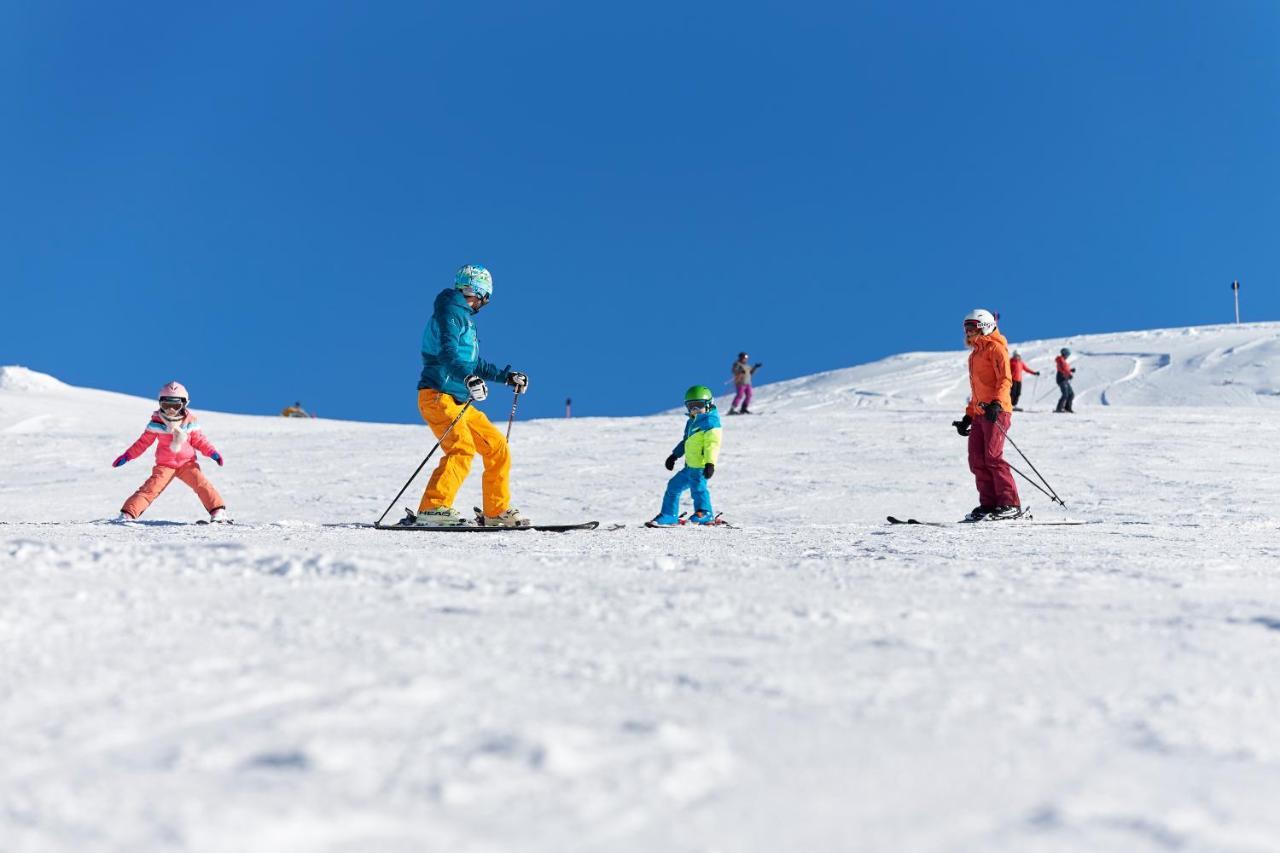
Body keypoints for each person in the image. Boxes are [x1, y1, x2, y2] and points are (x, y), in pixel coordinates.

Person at [411, 264, 529, 527]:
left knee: (497, 447)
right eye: (484, 299)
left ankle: (495, 512)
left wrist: (506, 377)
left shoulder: (463, 319)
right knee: (461, 447)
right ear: (480, 293)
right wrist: (468, 378)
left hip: (458, 401)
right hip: (437, 395)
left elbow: (473, 363)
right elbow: (447, 355)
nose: (482, 305)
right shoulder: (450, 313)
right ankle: (433, 508)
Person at [112, 381, 229, 522]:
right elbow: (142, 443)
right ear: (160, 403)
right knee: (150, 489)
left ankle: (218, 512)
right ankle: (127, 514)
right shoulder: (156, 424)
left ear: (184, 404)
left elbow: (200, 441)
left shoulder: (189, 422)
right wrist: (128, 455)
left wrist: (212, 453)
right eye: (166, 405)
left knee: (202, 484)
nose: (171, 410)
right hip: (165, 465)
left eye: (175, 405)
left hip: (187, 464)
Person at [951, 309, 1021, 521]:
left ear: (985, 327)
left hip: (997, 411)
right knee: (976, 460)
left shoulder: (996, 349)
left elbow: (1005, 380)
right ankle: (989, 504)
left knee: (993, 457)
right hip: (981, 413)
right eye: (966, 329)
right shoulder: (975, 355)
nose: (968, 333)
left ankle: (1010, 504)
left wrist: (997, 404)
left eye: (972, 329)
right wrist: (968, 416)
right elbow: (977, 390)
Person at [646, 385, 723, 527]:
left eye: (698, 406)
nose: (694, 410)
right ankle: (669, 515)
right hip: (689, 467)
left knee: (698, 489)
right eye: (691, 407)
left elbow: (713, 444)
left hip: (701, 466)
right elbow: (685, 441)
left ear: (709, 404)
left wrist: (710, 463)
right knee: (673, 486)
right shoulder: (691, 422)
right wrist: (674, 455)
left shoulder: (711, 423)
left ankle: (705, 513)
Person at [1054, 347, 1076, 413]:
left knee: (1071, 394)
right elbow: (1062, 369)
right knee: (1065, 394)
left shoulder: (1063, 360)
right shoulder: (1060, 360)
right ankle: (1059, 409)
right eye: (1068, 355)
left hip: (1065, 378)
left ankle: (1067, 408)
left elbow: (1065, 368)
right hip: (1061, 378)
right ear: (1065, 354)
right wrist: (1068, 374)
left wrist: (1070, 370)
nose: (1068, 356)